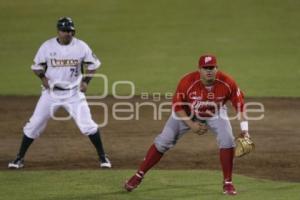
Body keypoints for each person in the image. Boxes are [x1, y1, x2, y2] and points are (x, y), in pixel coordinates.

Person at [124, 54, 250, 195]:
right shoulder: (187, 81)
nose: (209, 71)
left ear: (217, 68)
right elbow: (177, 106)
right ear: (199, 69)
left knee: (227, 140)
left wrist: (245, 130)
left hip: (215, 113)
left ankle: (228, 183)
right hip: (186, 112)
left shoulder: (228, 82)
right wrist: (191, 125)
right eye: (205, 68)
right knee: (163, 141)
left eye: (211, 67)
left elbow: (240, 106)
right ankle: (138, 175)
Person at [8, 17, 111, 169]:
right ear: (58, 31)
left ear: (73, 31)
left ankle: (103, 158)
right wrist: (42, 77)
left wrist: (86, 82)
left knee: (88, 125)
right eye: (64, 31)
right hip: (51, 94)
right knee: (34, 125)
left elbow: (93, 65)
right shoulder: (47, 46)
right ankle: (19, 158)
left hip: (74, 94)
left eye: (70, 31)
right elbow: (36, 66)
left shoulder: (81, 46)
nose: (67, 33)